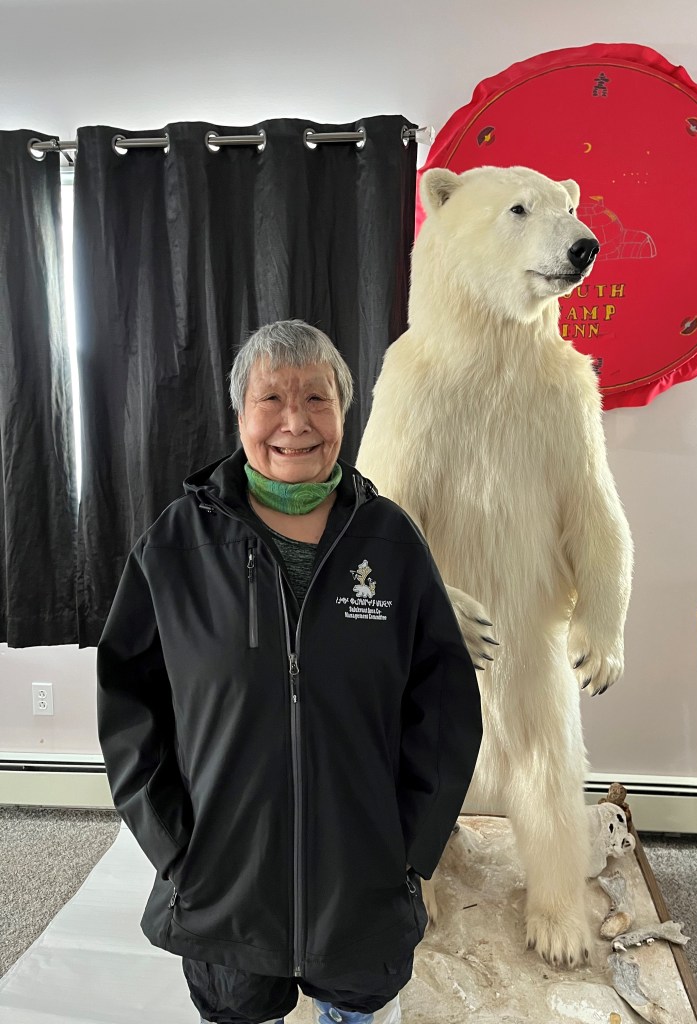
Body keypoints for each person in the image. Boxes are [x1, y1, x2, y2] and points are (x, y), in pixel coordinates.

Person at [97, 319, 483, 1024]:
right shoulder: (177, 545)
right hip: (224, 886)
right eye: (271, 398)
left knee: (359, 1009)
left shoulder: (390, 542)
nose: (295, 422)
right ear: (240, 414)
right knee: (238, 1008)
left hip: (363, 886)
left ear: (344, 412)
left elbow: (445, 709)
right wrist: (176, 849)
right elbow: (130, 707)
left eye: (316, 398)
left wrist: (409, 851)